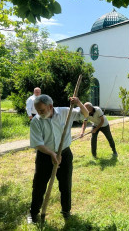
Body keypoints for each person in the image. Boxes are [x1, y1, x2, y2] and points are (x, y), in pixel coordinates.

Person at [28, 94, 89, 224]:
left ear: (50, 106)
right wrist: (51, 154)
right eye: (37, 110)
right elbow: (37, 143)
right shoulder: (36, 121)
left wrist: (78, 103)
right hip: (45, 156)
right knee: (39, 185)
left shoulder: (65, 112)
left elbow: (86, 114)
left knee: (65, 184)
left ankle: (66, 211)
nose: (39, 113)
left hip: (65, 154)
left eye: (42, 110)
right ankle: (33, 214)